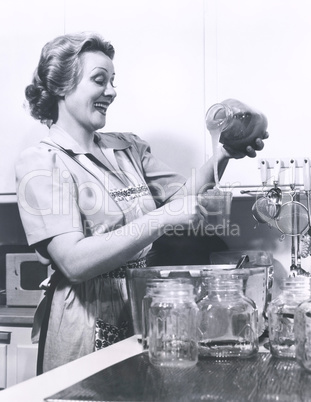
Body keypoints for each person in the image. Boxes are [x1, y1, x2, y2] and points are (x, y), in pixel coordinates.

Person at [15, 31, 268, 374]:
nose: (112, 91)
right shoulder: (42, 162)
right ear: (62, 86)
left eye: (113, 81)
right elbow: (73, 261)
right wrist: (163, 218)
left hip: (141, 307)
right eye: (99, 80)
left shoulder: (127, 148)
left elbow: (181, 201)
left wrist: (223, 153)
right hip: (84, 321)